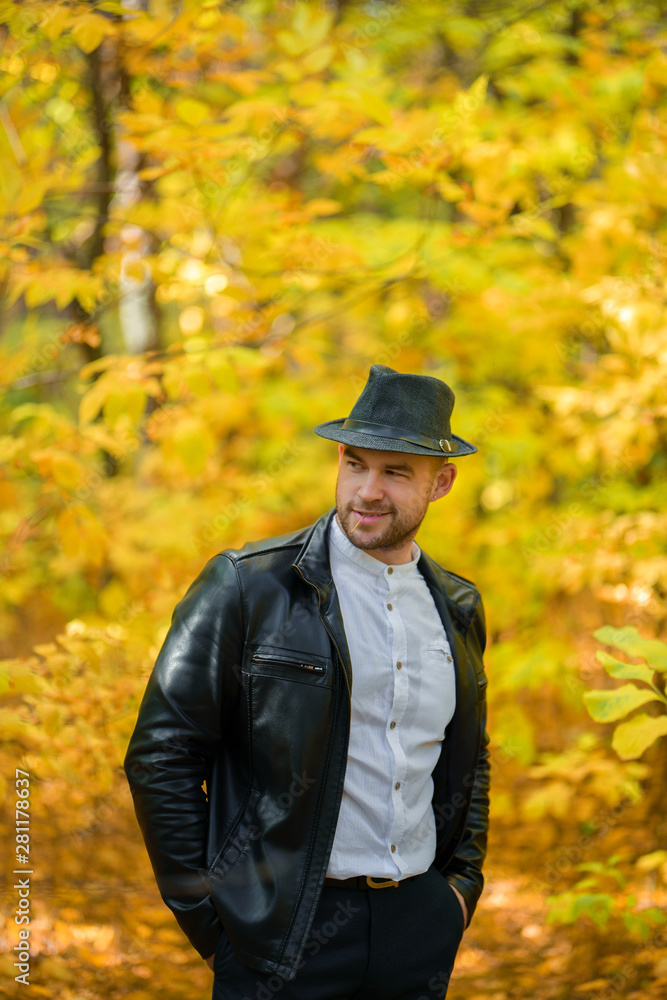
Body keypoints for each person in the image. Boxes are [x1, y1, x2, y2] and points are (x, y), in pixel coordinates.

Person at [124, 364, 490, 1000]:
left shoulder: (457, 605)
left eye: (396, 471)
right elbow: (162, 757)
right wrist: (216, 921)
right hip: (280, 932)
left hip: (418, 928)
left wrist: (458, 890)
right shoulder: (248, 587)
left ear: (442, 482)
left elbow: (467, 757)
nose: (367, 491)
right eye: (355, 464)